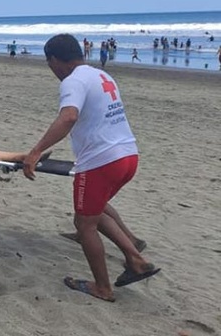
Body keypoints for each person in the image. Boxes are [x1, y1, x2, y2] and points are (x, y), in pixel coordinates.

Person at [22, 33, 159, 302]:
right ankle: (135, 256)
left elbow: (69, 116)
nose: (51, 70)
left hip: (102, 161)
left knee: (85, 223)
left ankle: (104, 287)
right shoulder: (101, 76)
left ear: (54, 60)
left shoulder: (73, 80)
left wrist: (35, 152)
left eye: (49, 64)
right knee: (92, 213)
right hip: (128, 156)